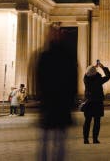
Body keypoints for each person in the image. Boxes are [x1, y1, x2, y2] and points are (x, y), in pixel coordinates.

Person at [36, 30, 77, 161]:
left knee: (45, 139)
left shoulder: (44, 56)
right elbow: (73, 81)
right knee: (59, 139)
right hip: (61, 103)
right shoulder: (68, 56)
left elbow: (39, 79)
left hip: (49, 102)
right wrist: (72, 101)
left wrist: (40, 97)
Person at [82, 63, 110, 144]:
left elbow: (86, 74)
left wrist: (93, 67)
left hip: (89, 103)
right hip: (98, 103)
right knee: (97, 121)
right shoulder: (98, 80)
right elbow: (108, 76)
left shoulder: (86, 79)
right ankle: (95, 139)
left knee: (87, 121)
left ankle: (86, 139)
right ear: (95, 73)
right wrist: (102, 67)